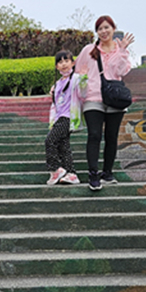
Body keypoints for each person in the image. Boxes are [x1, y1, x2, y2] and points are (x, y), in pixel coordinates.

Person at [74, 15, 133, 191]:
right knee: (94, 135)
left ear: (113, 29)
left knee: (111, 137)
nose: (104, 31)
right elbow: (77, 72)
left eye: (107, 27)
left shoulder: (120, 50)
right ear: (97, 32)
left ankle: (107, 173)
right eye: (100, 29)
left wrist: (122, 51)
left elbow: (122, 71)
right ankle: (93, 174)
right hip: (93, 98)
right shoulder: (89, 50)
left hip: (114, 99)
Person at [45, 50, 84, 185]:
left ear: (73, 63)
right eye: (60, 62)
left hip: (68, 117)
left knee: (49, 141)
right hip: (59, 117)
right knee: (64, 146)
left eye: (66, 61)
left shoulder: (76, 78)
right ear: (56, 66)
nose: (63, 64)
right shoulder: (57, 84)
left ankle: (55, 169)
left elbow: (85, 87)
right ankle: (71, 173)